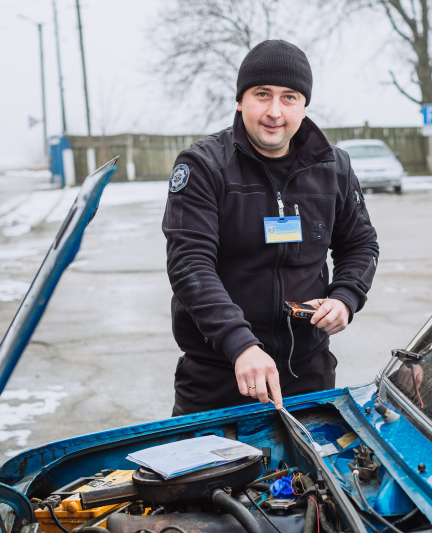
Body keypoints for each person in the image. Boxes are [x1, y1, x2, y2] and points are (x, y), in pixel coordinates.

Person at [162, 40, 380, 416]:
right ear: (240, 100)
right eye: (262, 95)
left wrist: (345, 297)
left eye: (289, 97)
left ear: (303, 105)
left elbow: (361, 244)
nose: (274, 111)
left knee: (306, 477)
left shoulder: (335, 168)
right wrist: (240, 344)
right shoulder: (202, 167)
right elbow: (190, 264)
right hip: (219, 376)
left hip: (308, 375)